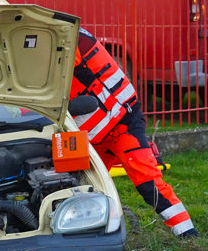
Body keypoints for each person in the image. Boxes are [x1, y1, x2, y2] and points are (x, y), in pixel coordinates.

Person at [69, 28, 198, 239]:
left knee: (149, 184)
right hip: (94, 132)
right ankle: (91, 233)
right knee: (83, 186)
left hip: (122, 125)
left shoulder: (68, 43)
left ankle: (187, 233)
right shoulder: (64, 41)